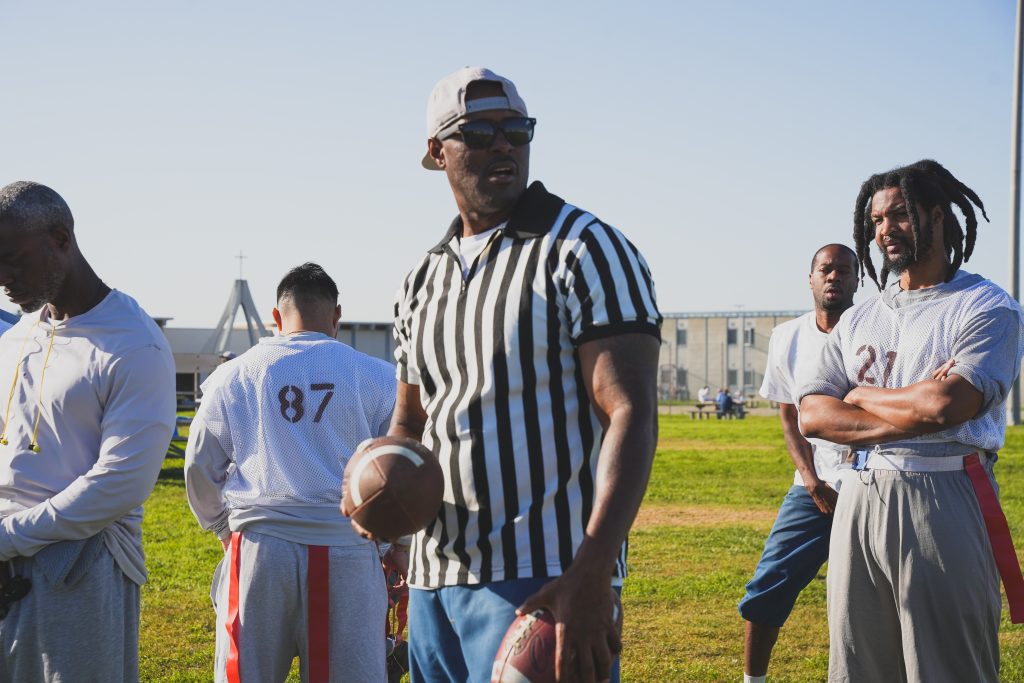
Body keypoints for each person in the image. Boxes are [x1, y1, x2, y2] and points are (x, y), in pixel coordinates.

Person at [387, 66, 661, 683]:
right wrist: (382, 493)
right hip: (435, 579)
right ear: (438, 153)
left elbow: (631, 411)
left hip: (547, 575)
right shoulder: (420, 279)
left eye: (516, 129)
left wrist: (592, 571)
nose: (503, 144)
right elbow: (410, 419)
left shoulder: (585, 248)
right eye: (479, 133)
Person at [799, 160, 1024, 682]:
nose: (884, 230)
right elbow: (813, 412)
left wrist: (858, 394)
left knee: (945, 667)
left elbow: (946, 408)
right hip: (859, 495)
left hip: (942, 492)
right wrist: (910, 405)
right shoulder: (861, 316)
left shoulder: (985, 307)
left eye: (900, 214)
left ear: (938, 216)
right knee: (859, 665)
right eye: (877, 220)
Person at [184, 262, 397, 683]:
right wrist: (393, 543)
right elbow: (399, 469)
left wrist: (225, 530)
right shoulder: (379, 376)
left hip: (260, 549)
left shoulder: (233, 376)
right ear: (337, 316)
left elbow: (198, 467)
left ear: (276, 317)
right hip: (347, 548)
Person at [0, 181, 176, 681]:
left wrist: (7, 538)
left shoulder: (132, 343)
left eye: (13, 259)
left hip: (78, 570)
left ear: (61, 237)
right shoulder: (17, 336)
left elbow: (119, 484)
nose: (2, 278)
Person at [737, 244, 858, 683]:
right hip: (815, 488)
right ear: (810, 279)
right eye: (825, 270)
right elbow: (789, 415)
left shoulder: (877, 329)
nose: (834, 277)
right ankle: (754, 679)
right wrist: (810, 479)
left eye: (844, 271)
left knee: (877, 594)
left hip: (873, 484)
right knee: (770, 581)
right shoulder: (788, 336)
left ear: (857, 281)